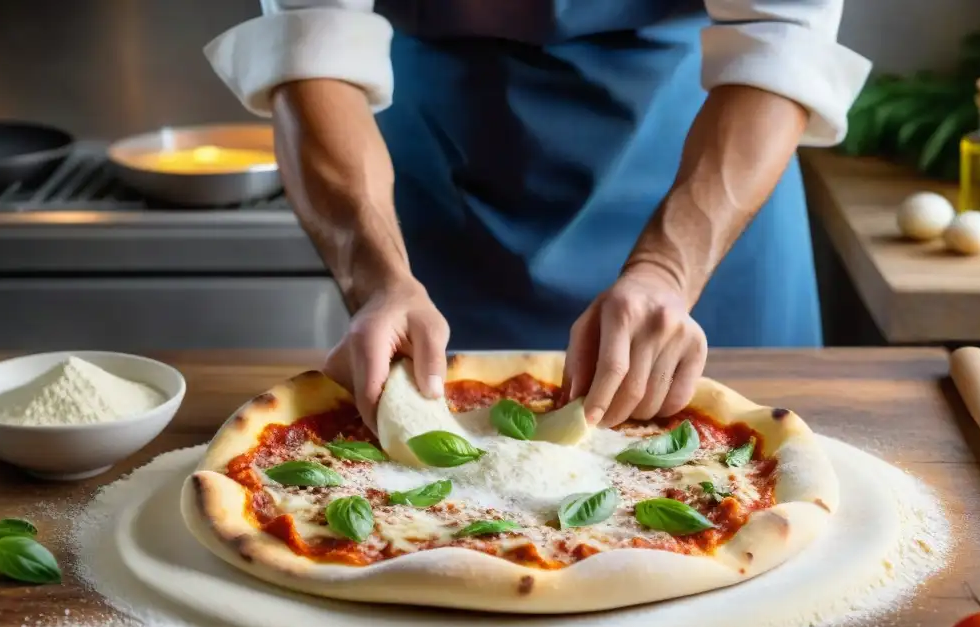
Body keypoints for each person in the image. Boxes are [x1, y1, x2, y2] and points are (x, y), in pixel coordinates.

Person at [204, 0, 870, 430]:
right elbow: (310, 41)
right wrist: (377, 278)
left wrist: (668, 269)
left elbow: (781, 35)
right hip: (438, 149)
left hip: (697, 144)